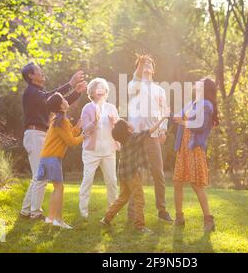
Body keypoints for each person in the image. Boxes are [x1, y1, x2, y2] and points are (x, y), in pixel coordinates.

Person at [20, 62, 86, 220]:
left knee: (37, 176)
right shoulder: (31, 92)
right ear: (31, 75)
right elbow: (52, 98)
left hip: (38, 134)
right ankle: (35, 213)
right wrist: (70, 84)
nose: (42, 72)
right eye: (38, 71)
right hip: (35, 134)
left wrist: (76, 93)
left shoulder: (39, 94)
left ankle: (25, 210)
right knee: (40, 176)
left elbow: (57, 105)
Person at [100, 117, 167, 234]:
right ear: (128, 129)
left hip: (122, 173)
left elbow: (120, 130)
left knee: (123, 197)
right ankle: (140, 226)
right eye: (127, 123)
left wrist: (114, 123)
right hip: (131, 174)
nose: (129, 122)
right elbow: (150, 131)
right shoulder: (133, 138)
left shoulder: (125, 140)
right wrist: (162, 119)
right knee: (139, 198)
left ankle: (106, 218)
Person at [127, 54, 172, 222]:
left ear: (153, 69)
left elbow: (163, 111)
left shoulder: (160, 90)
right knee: (135, 173)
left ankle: (162, 210)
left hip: (153, 135)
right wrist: (140, 62)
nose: (147, 66)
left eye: (149, 64)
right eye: (143, 64)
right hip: (136, 135)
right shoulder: (134, 85)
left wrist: (163, 130)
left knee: (158, 173)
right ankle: (132, 213)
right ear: (139, 67)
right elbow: (137, 76)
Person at [172, 78, 219, 233]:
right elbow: (179, 115)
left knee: (196, 184)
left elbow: (200, 125)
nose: (196, 83)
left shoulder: (207, 105)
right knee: (177, 182)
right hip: (183, 147)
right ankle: (179, 218)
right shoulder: (193, 103)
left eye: (199, 82)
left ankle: (208, 219)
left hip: (194, 147)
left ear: (205, 88)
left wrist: (183, 121)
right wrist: (172, 115)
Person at [37, 93, 84, 229]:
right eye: (63, 99)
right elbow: (71, 142)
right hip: (52, 158)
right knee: (59, 188)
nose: (66, 100)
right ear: (60, 105)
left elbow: (69, 134)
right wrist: (84, 136)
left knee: (57, 187)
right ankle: (58, 219)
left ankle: (51, 218)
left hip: (47, 157)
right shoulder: (61, 120)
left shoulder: (58, 119)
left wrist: (79, 126)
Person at [79, 78, 119, 219]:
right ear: (92, 92)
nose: (101, 90)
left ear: (106, 91)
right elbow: (85, 129)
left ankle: (112, 210)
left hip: (109, 150)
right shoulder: (87, 108)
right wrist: (94, 122)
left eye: (103, 88)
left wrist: (114, 123)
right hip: (91, 152)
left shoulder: (111, 108)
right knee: (87, 180)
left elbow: (119, 130)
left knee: (112, 181)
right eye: (98, 88)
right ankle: (83, 212)